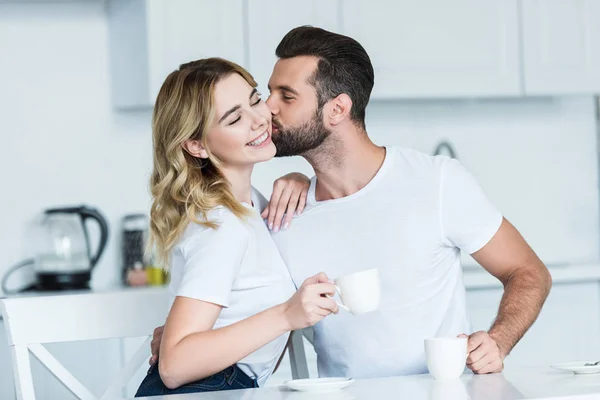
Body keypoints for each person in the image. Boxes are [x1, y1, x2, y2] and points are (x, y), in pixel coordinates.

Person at [151, 26, 552, 380]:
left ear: (337, 109)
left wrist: (498, 341)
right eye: (266, 93)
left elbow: (527, 271)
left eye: (284, 96)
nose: (267, 109)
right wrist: (181, 344)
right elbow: (250, 311)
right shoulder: (279, 213)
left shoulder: (438, 180)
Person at [135, 57, 339, 397]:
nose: (259, 119)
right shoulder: (222, 226)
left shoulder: (249, 207)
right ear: (196, 145)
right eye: (235, 118)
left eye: (255, 99)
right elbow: (174, 366)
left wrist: (301, 180)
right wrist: (287, 315)